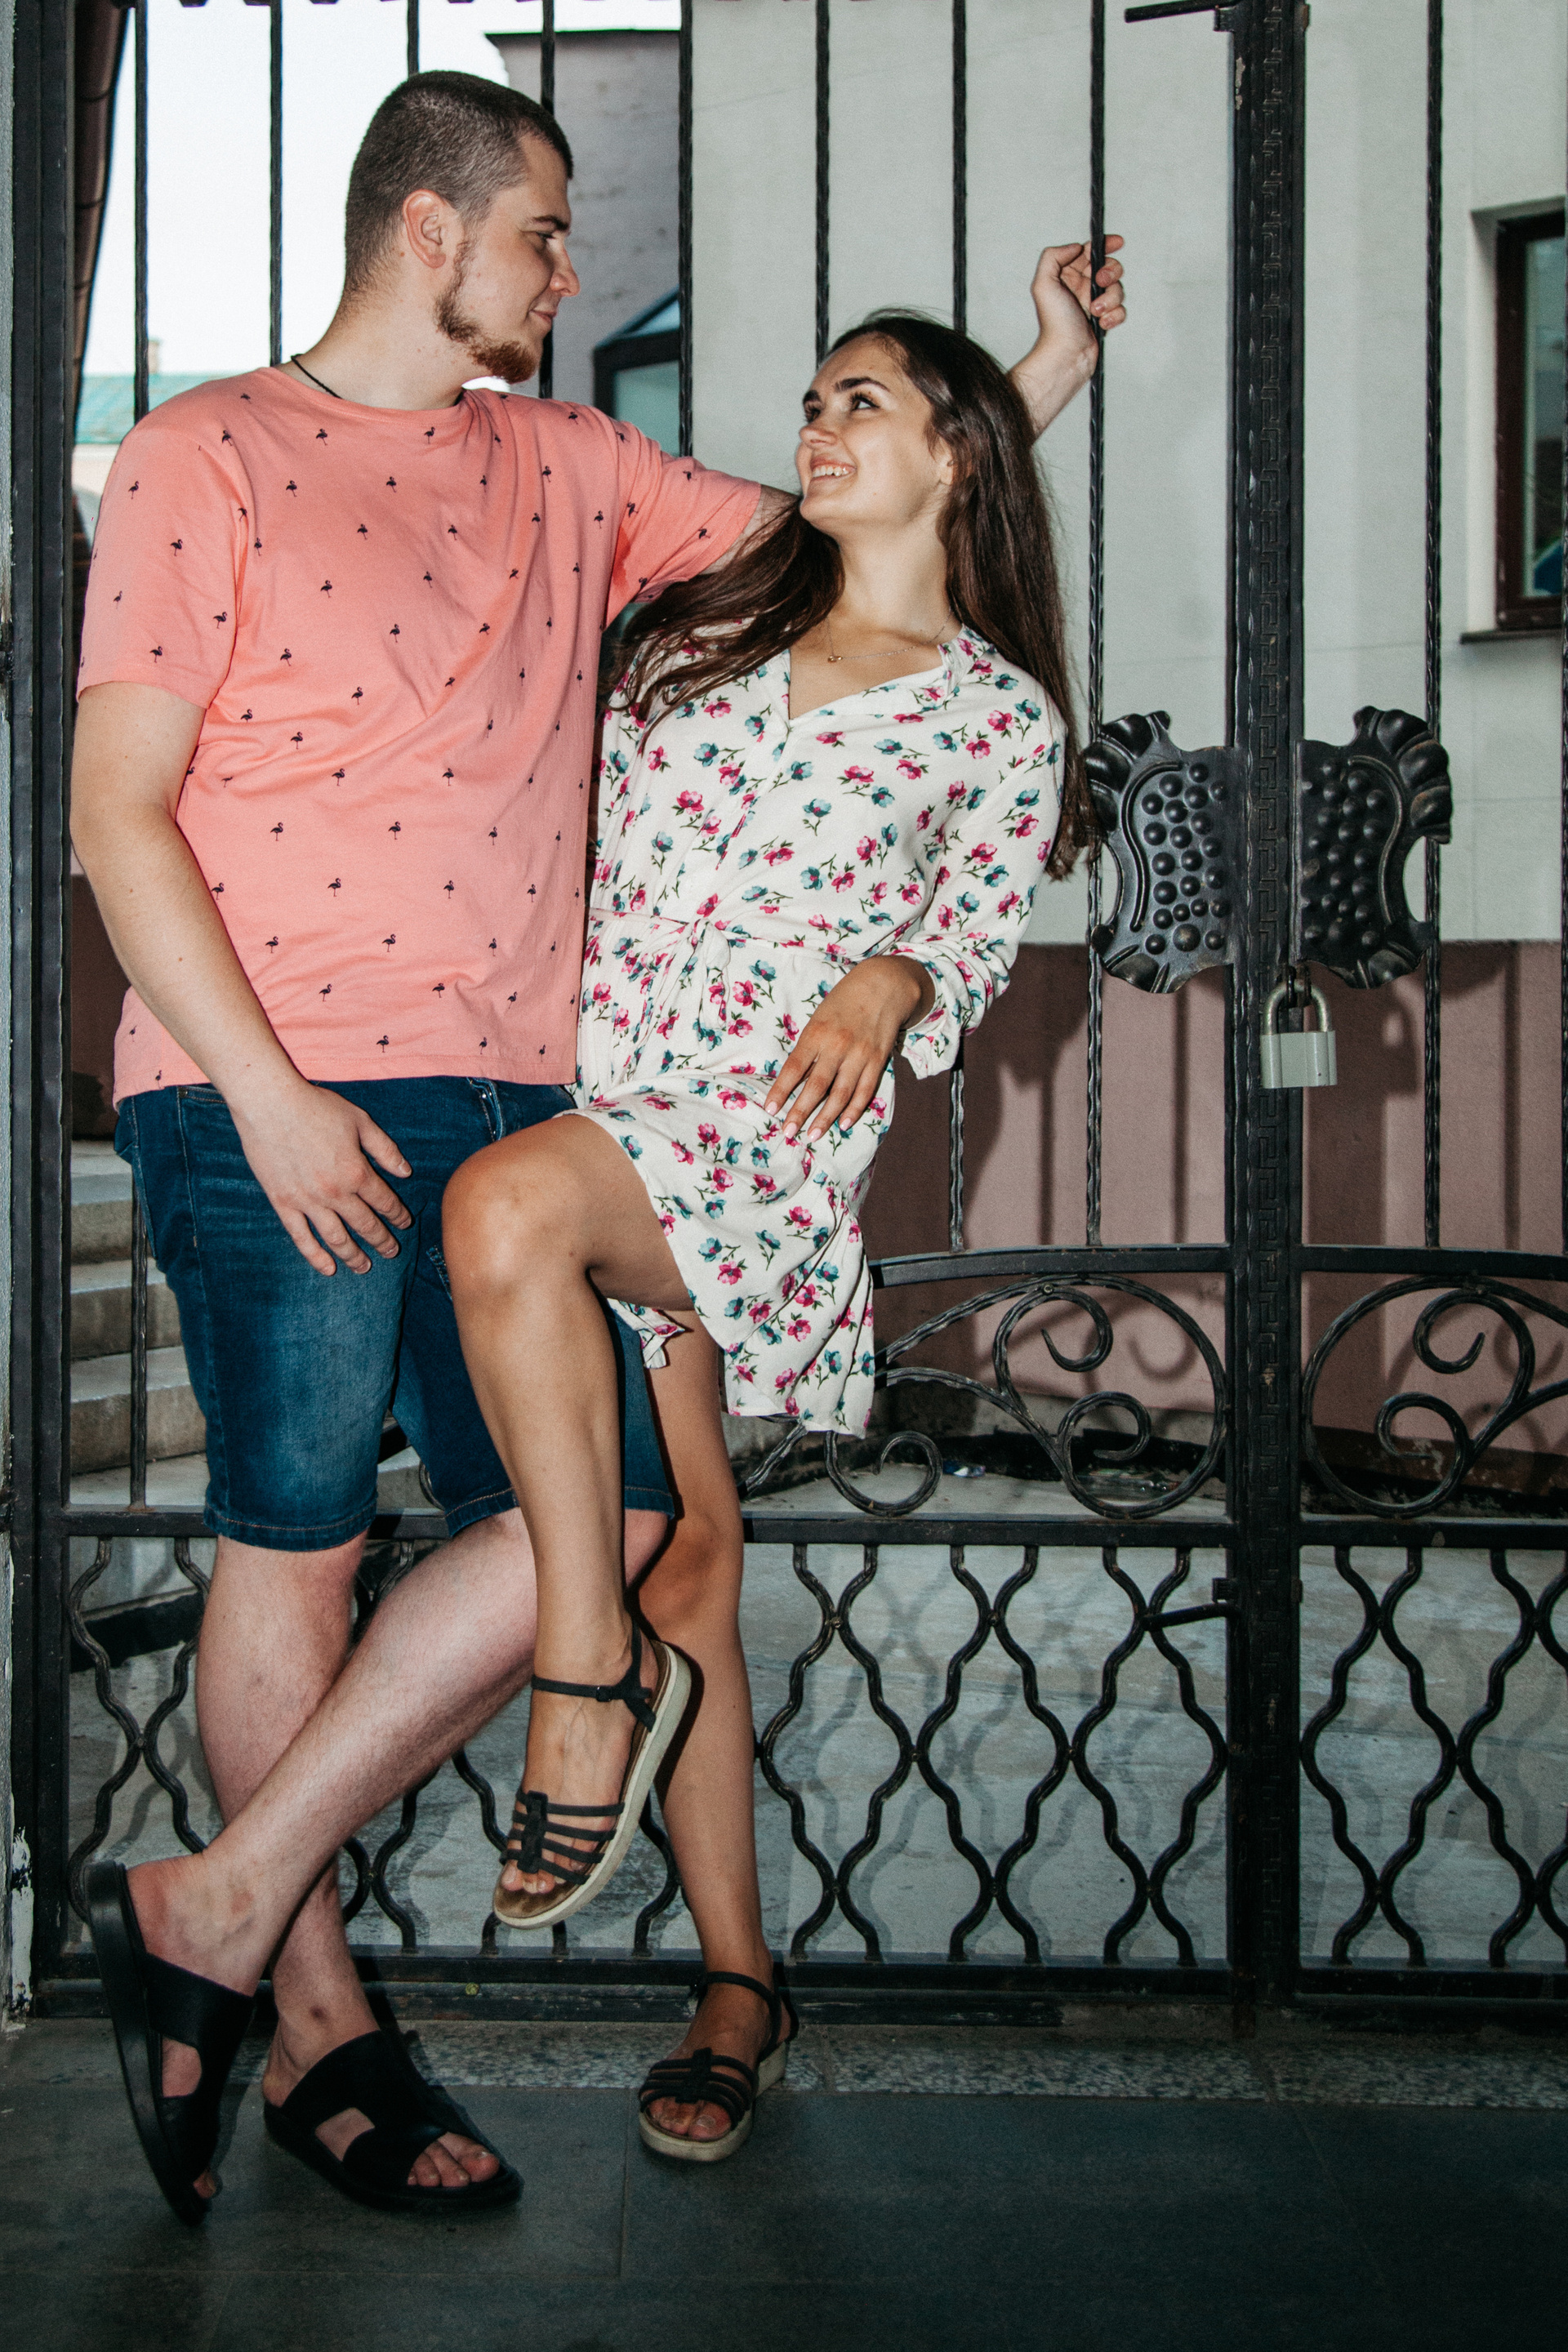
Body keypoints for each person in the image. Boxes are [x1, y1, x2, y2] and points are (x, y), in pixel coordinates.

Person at [71, 65, 1125, 2220]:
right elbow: (117, 808)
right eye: (546, 232)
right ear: (433, 231)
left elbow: (883, 534)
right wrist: (265, 1094)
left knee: (622, 1521)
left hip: (529, 1098)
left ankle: (218, 1902)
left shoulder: (574, 466)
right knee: (294, 1539)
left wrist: (1041, 375)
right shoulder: (202, 454)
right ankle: (319, 2036)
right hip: (269, 1082)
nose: (571, 269)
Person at [440, 308, 1092, 2160]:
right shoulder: (706, 625)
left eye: (857, 405)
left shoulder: (996, 717)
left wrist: (899, 974)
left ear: (951, 448)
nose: (813, 427)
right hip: (599, 1089)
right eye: (810, 401)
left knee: (505, 1210)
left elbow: (974, 935)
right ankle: (740, 1983)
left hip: (756, 1145)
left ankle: (584, 1676)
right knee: (700, 1558)